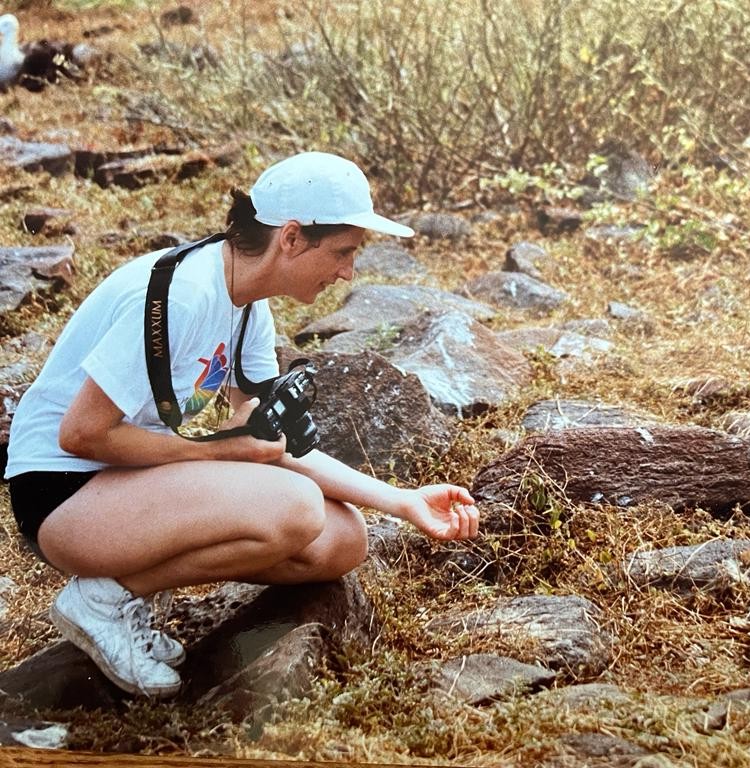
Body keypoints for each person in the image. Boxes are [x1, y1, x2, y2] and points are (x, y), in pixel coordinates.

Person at [3, 151, 480, 699]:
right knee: (295, 507)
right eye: (345, 252)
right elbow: (80, 434)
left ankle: (122, 591)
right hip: (61, 492)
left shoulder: (249, 307)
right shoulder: (180, 295)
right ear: (293, 238)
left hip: (126, 481)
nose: (348, 271)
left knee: (343, 541)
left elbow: (269, 440)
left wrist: (401, 500)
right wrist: (217, 451)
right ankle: (104, 600)